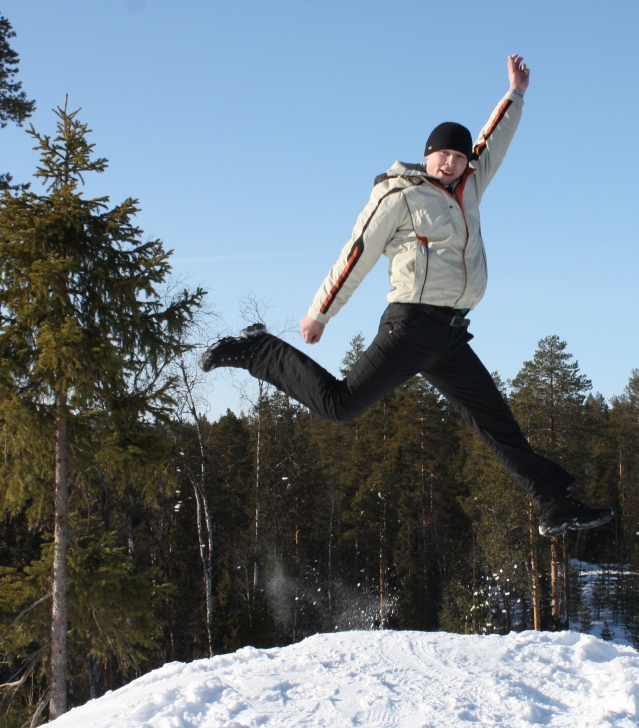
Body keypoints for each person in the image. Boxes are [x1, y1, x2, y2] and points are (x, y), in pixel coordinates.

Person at [201, 54, 612, 537]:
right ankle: (257, 349)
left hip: (450, 336)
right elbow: (356, 254)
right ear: (427, 154)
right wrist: (320, 312)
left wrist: (515, 93)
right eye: (443, 155)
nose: (451, 162)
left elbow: (493, 140)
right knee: (340, 406)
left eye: (458, 157)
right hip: (410, 326)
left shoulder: (470, 185)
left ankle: (555, 504)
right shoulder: (400, 195)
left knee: (497, 424)